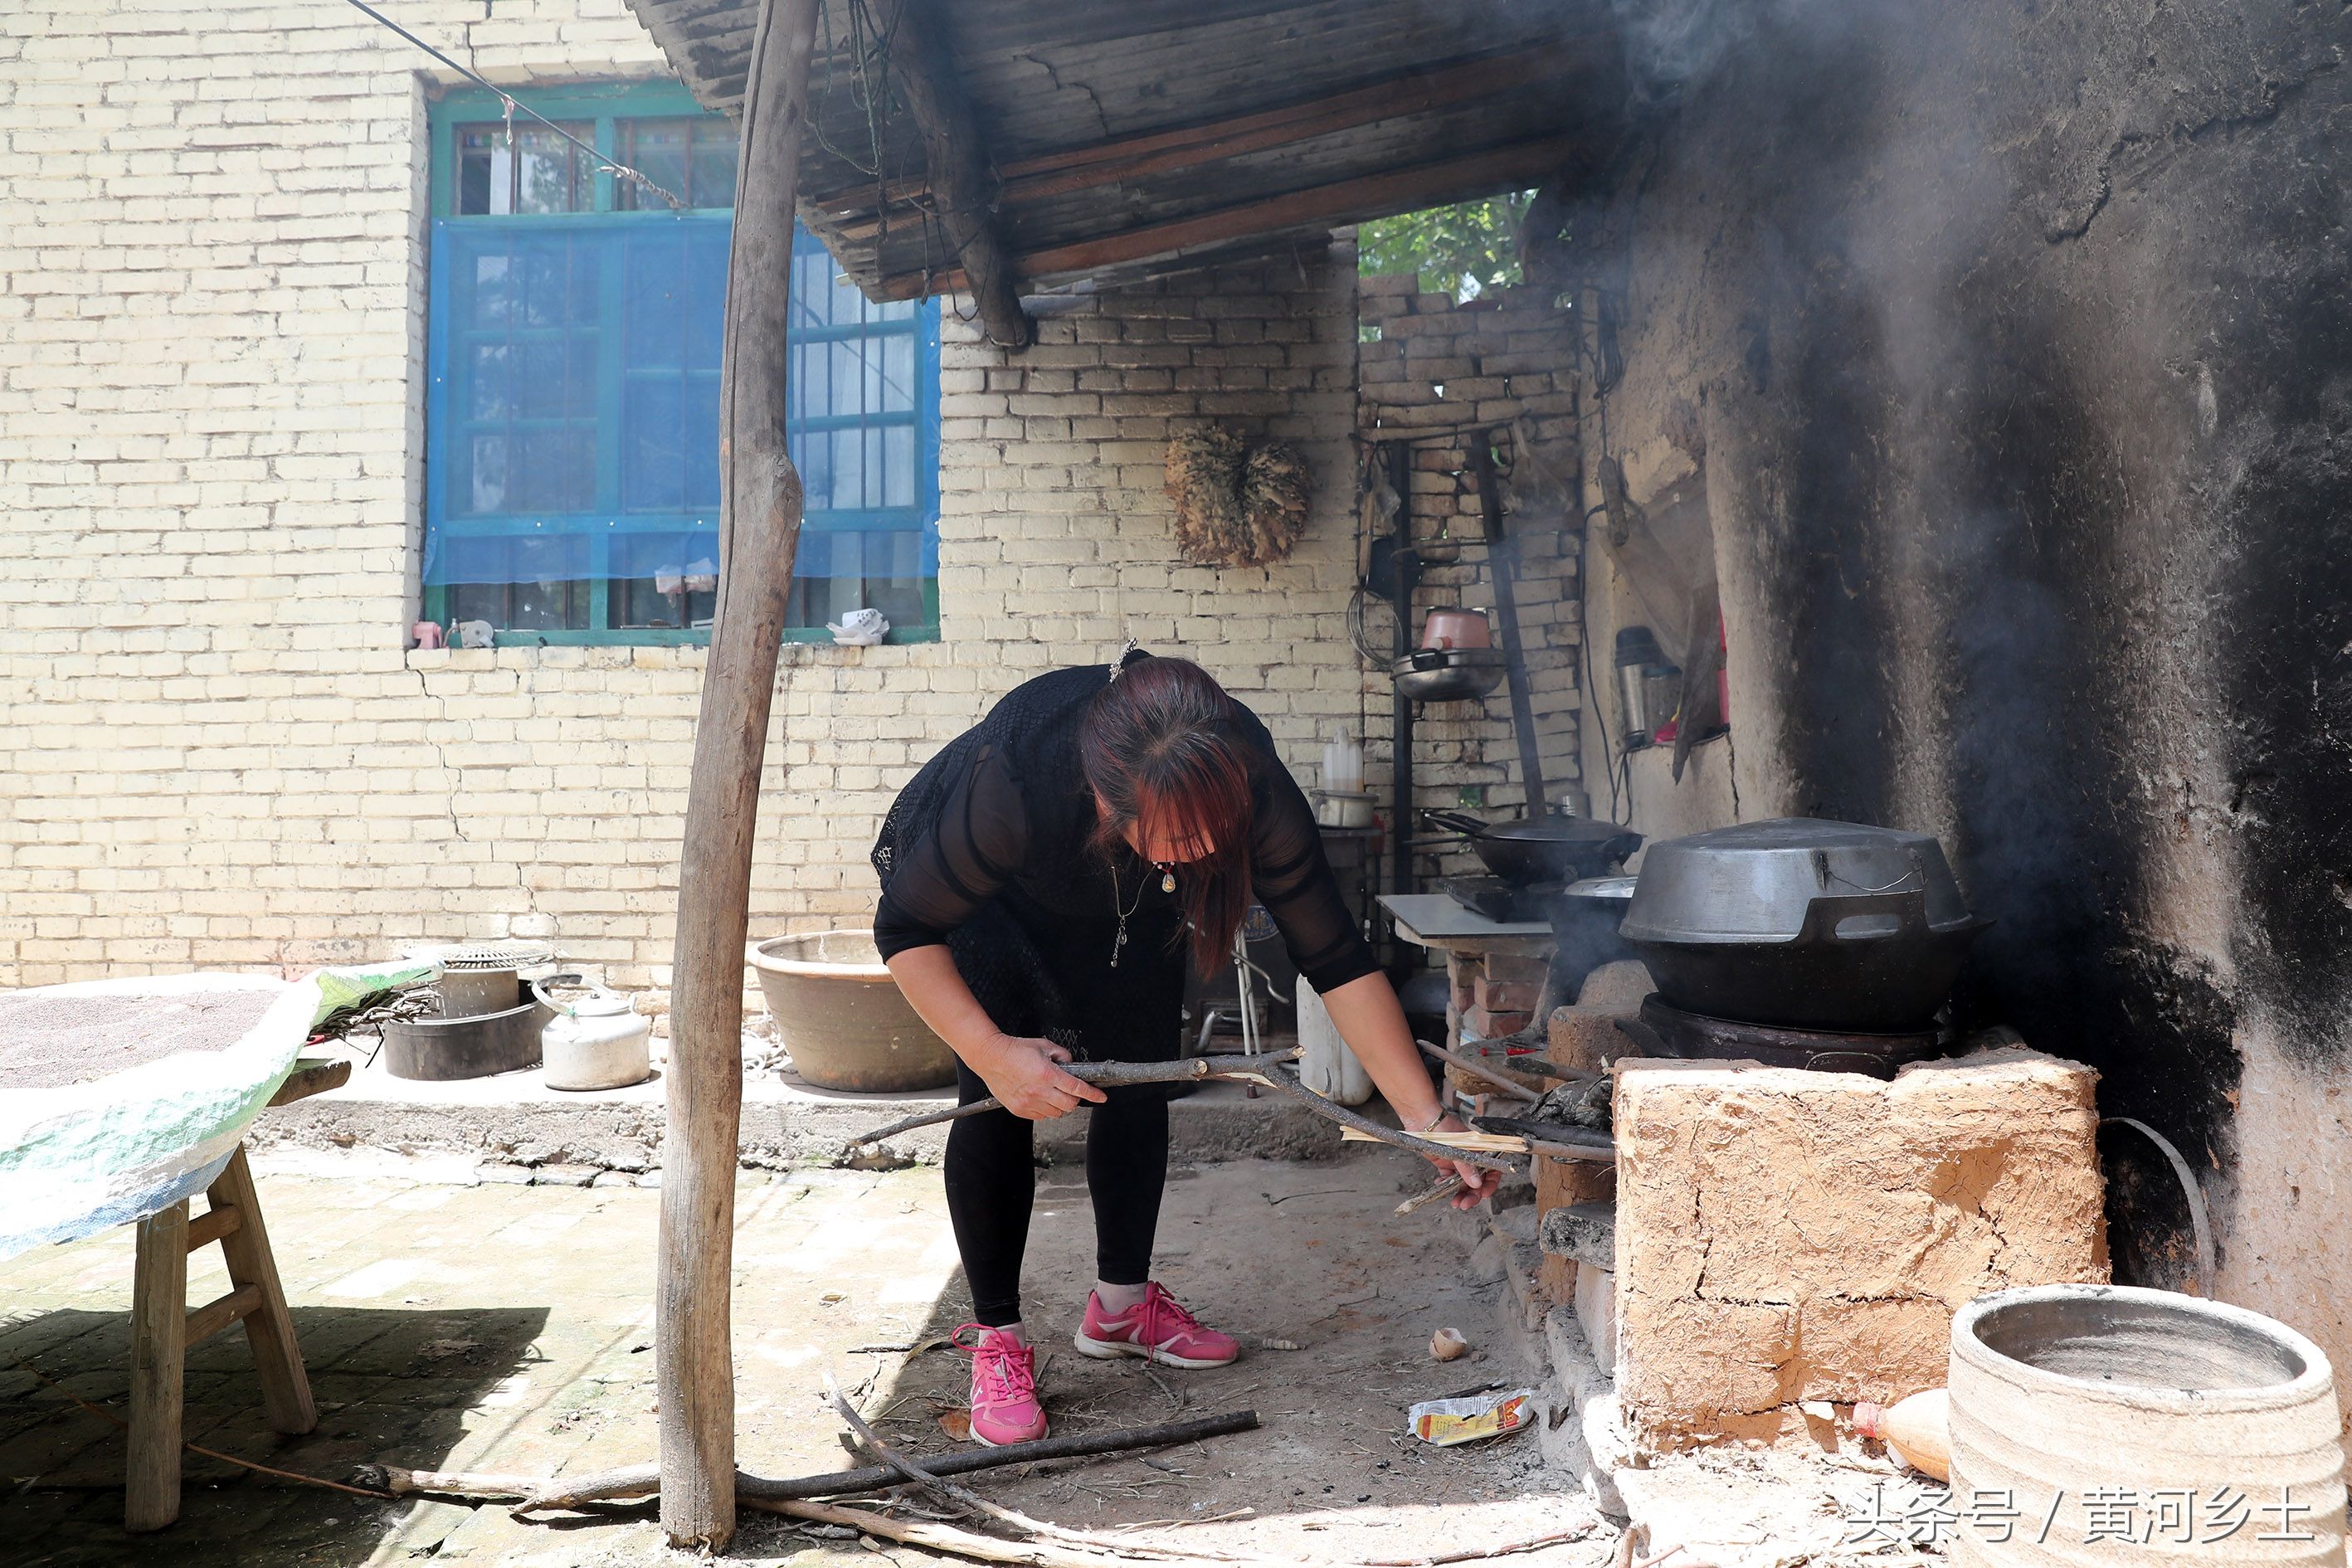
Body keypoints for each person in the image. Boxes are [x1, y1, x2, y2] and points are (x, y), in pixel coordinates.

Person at [872, 648, 1501, 1446]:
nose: (1203, 855)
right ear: (1106, 801)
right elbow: (904, 927)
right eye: (1179, 837)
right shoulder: (1016, 783)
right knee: (994, 1103)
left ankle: (1123, 1309)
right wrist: (993, 1050)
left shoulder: (1246, 782)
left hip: (1135, 907)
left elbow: (1335, 958)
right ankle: (997, 1337)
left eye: (1215, 839)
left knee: (1140, 1084)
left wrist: (1423, 1117)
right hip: (998, 912)